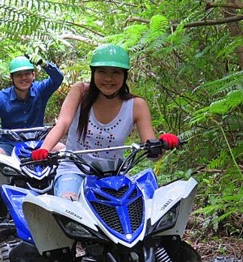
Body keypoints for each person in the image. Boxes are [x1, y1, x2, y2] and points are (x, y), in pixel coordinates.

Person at [31, 44, 179, 200]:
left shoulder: (136, 105)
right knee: (68, 205)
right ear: (93, 73)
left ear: (124, 75)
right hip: (74, 170)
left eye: (116, 72)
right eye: (102, 72)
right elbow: (63, 123)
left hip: (115, 175)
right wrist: (45, 149)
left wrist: (162, 143)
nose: (109, 78)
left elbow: (152, 152)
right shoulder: (80, 91)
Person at [0, 54, 64, 155]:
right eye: (18, 75)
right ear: (11, 78)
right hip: (9, 145)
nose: (24, 78)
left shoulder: (41, 90)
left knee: (63, 150)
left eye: (27, 74)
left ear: (33, 75)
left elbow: (58, 78)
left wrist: (44, 64)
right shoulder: (2, 98)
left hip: (39, 143)